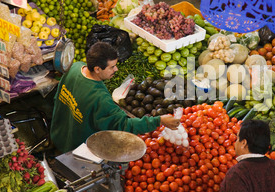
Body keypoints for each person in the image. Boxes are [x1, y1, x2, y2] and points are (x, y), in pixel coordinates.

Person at [50, 41, 179, 154]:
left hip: (59, 135)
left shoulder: (75, 67)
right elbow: (124, 125)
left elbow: (57, 98)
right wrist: (158, 121)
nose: (116, 69)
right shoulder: (100, 98)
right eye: (112, 67)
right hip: (77, 150)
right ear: (97, 69)